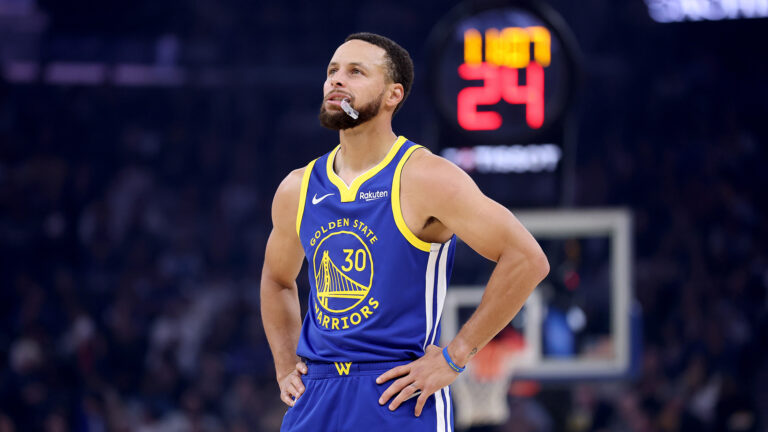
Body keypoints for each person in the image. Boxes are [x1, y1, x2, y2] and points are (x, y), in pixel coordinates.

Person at [260, 32, 549, 432]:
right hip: (317, 392)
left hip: (397, 393)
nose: (336, 81)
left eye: (355, 72)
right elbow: (277, 280)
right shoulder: (298, 187)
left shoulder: (427, 176)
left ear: (393, 94)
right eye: (332, 71)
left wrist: (456, 354)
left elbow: (527, 258)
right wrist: (284, 363)